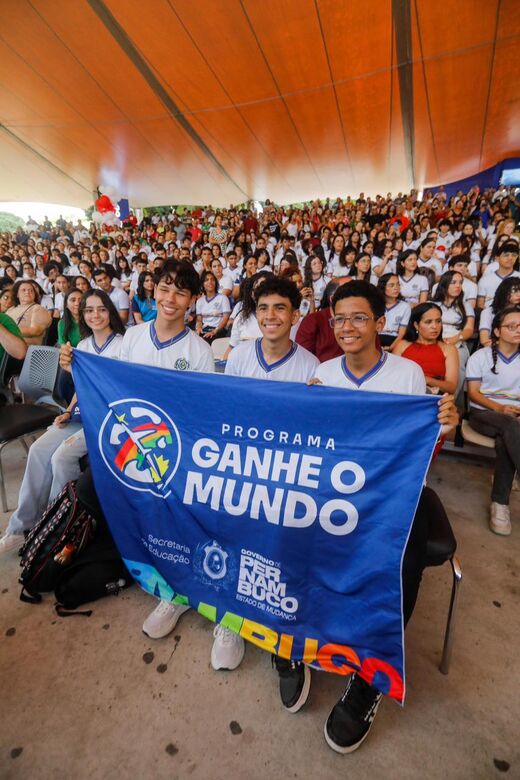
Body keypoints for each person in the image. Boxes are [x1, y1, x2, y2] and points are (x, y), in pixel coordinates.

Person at [274, 281, 457, 754]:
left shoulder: (408, 375)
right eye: (339, 319)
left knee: (405, 559)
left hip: (385, 499)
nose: (347, 327)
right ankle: (291, 640)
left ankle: (369, 675)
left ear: (380, 323)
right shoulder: (323, 373)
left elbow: (413, 449)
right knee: (281, 533)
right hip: (329, 496)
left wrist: (443, 424)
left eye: (358, 317)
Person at [0, 290, 125, 553]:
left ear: (111, 311)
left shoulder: (124, 345)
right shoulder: (85, 346)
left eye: (101, 309)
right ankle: (21, 528)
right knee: (37, 450)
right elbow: (81, 389)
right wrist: (68, 411)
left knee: (61, 458)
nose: (95, 315)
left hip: (105, 421)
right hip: (79, 416)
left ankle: (59, 527)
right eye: (89, 310)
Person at [466, 305, 520, 536]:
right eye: (511, 326)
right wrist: (500, 408)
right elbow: (474, 393)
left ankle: (500, 504)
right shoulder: (481, 356)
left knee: (505, 439)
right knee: (509, 426)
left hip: (515, 416)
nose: (518, 330)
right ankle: (499, 503)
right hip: (484, 413)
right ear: (497, 331)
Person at [226, 276, 319, 382]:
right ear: (257, 313)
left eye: (279, 308)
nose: (270, 316)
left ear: (295, 316)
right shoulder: (237, 355)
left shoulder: (311, 366)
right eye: (263, 308)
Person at [393, 303, 459, 395]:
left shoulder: (449, 349)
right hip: (406, 394)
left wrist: (427, 380)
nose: (434, 326)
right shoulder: (402, 345)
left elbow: (451, 387)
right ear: (416, 325)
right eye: (428, 322)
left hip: (434, 398)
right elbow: (393, 377)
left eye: (438, 321)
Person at [6, 280, 52, 345]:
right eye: (23, 290)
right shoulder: (11, 309)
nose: (27, 292)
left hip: (27, 351)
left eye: (31, 290)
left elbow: (35, 331)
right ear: (17, 294)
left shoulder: (37, 308)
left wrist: (8, 330)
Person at [479, 278, 520, 347]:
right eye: (514, 291)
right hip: (494, 349)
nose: (519, 294)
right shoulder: (488, 312)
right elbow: (484, 340)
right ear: (504, 291)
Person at [377, 273, 411, 350]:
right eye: (391, 285)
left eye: (398, 284)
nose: (396, 288)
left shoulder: (405, 306)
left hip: (394, 340)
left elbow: (402, 333)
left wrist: (391, 347)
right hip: (376, 338)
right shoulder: (375, 304)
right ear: (383, 287)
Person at [195, 271, 231, 342]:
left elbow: (225, 318)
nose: (210, 282)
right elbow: (199, 319)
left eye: (212, 279)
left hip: (219, 329)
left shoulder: (223, 298)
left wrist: (215, 331)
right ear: (202, 284)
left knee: (206, 341)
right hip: (205, 329)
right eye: (206, 280)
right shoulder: (200, 301)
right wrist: (198, 327)